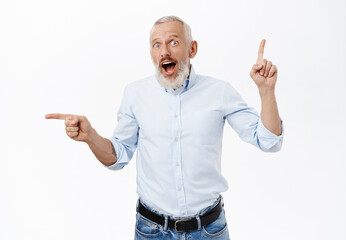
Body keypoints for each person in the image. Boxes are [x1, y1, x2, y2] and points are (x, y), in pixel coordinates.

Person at [45, 16, 283, 240]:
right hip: (151, 230)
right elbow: (118, 157)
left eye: (173, 42)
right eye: (156, 45)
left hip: (209, 230)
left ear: (192, 49)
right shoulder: (135, 94)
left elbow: (268, 141)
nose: (164, 52)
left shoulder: (219, 92)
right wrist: (91, 138)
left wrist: (266, 91)